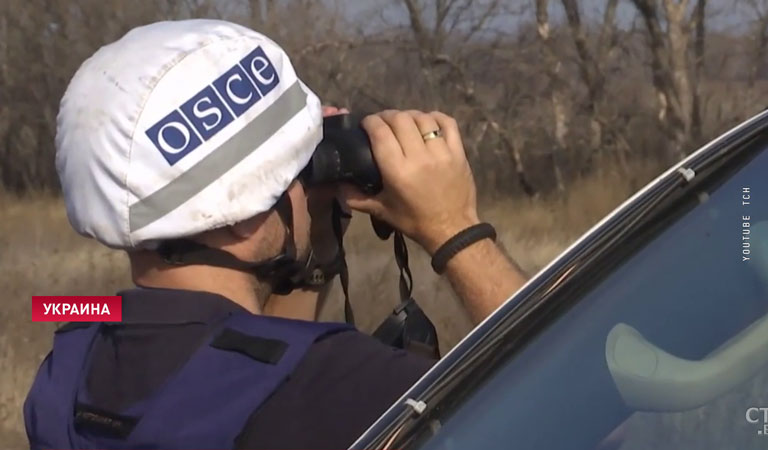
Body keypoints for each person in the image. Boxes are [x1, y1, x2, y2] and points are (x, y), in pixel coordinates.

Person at [23, 19, 528, 450]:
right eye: (297, 169)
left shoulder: (64, 374)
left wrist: (310, 250)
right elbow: (578, 408)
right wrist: (454, 228)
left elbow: (250, 354)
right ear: (244, 212)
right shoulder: (358, 389)